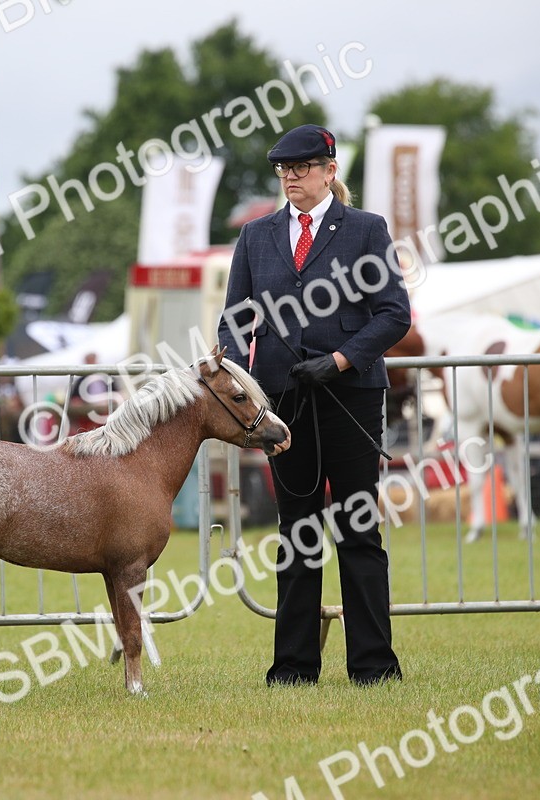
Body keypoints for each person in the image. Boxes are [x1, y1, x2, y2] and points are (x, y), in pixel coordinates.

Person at [217, 124, 411, 686]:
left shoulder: (366, 230)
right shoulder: (256, 236)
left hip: (350, 397)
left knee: (357, 529)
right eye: (283, 171)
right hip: (283, 403)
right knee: (296, 531)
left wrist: (342, 360)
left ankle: (374, 666)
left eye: (300, 170)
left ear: (329, 170)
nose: (290, 180)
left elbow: (393, 313)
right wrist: (240, 385)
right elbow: (235, 320)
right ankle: (293, 667)